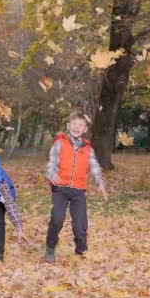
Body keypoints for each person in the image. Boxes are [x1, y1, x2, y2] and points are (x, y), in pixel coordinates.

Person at [44, 111, 108, 263]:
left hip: (78, 190)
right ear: (68, 126)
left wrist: (100, 184)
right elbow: (51, 162)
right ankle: (50, 247)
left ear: (85, 129)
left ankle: (81, 252)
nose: (77, 127)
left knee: (80, 225)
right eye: (74, 124)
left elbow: (94, 167)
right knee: (58, 218)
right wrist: (51, 174)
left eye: (80, 125)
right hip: (60, 188)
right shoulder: (60, 142)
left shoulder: (88, 148)